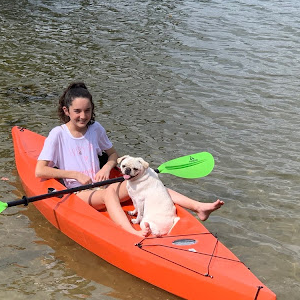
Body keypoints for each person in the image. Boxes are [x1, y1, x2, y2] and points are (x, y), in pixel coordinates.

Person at [35, 82, 224, 237]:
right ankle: (130, 232)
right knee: (109, 194)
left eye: (87, 110)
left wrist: (106, 168)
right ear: (66, 110)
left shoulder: (96, 129)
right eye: (77, 111)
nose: (83, 116)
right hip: (78, 192)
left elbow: (113, 155)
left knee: (148, 179)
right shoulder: (57, 134)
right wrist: (75, 174)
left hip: (101, 185)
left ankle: (198, 207)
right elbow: (40, 170)